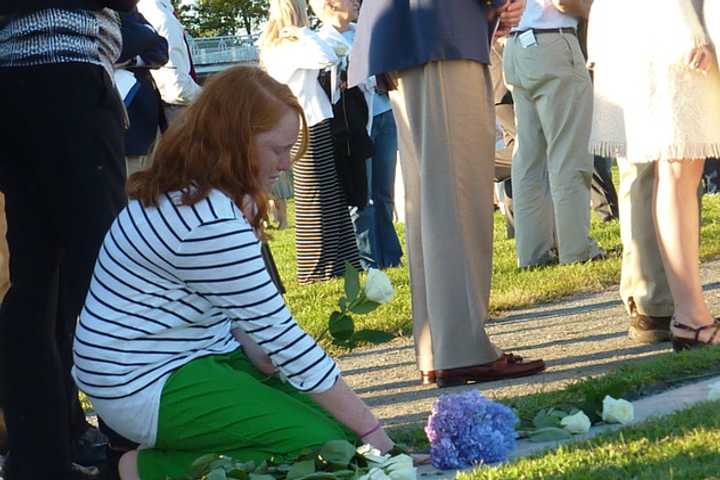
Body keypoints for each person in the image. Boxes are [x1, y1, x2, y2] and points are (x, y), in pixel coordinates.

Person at [73, 66, 395, 480]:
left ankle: (176, 451)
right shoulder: (208, 221)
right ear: (237, 141)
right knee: (328, 453)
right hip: (143, 380)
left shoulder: (196, 192)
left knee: (340, 440)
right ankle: (141, 469)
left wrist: (259, 355)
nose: (285, 163)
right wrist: (377, 437)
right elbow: (284, 341)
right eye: (278, 149)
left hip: (186, 355)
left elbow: (254, 330)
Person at [349, 0, 546, 388]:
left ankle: (440, 348)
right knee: (454, 194)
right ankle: (459, 349)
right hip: (438, 28)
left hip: (416, 31)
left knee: (432, 197)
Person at [0, 0, 133, 478]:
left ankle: (37, 457)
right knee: (103, 276)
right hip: (70, 69)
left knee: (29, 286)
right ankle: (127, 447)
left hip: (10, 78)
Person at [589, 0, 720, 349]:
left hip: (660, 29)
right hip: (666, 32)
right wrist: (687, 31)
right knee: (678, 165)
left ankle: (690, 313)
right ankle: (691, 316)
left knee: (680, 168)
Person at [260, 0, 362, 284]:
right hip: (305, 126)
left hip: (316, 121)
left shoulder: (288, 42)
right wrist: (303, 31)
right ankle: (316, 268)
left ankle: (343, 262)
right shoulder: (286, 44)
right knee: (314, 198)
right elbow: (326, 56)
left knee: (332, 195)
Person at [503, 0, 604, 267]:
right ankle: (576, 250)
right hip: (552, 41)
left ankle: (532, 254)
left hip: (516, 45)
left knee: (528, 158)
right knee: (568, 154)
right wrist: (594, 12)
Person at [117, 8, 169, 175]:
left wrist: (133, 59)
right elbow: (118, 45)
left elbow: (161, 49)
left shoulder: (125, 9)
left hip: (146, 125)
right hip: (120, 129)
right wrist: (146, 34)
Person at [137, 0, 201, 124]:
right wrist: (210, 96)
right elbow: (176, 88)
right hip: (177, 117)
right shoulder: (160, 16)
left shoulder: (147, 10)